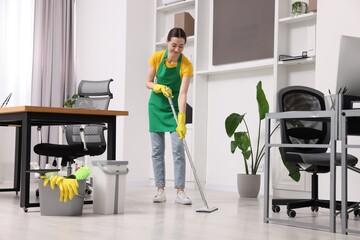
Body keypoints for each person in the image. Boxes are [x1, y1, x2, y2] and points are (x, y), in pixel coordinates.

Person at [146, 27, 193, 205]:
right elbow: (148, 82)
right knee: (157, 150)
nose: (176, 50)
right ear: (167, 42)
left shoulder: (186, 65)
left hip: (174, 107)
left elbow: (182, 94)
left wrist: (182, 119)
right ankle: (160, 190)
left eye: (181, 46)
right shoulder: (157, 57)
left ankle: (180, 191)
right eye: (174, 45)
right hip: (156, 107)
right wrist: (157, 87)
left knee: (178, 150)